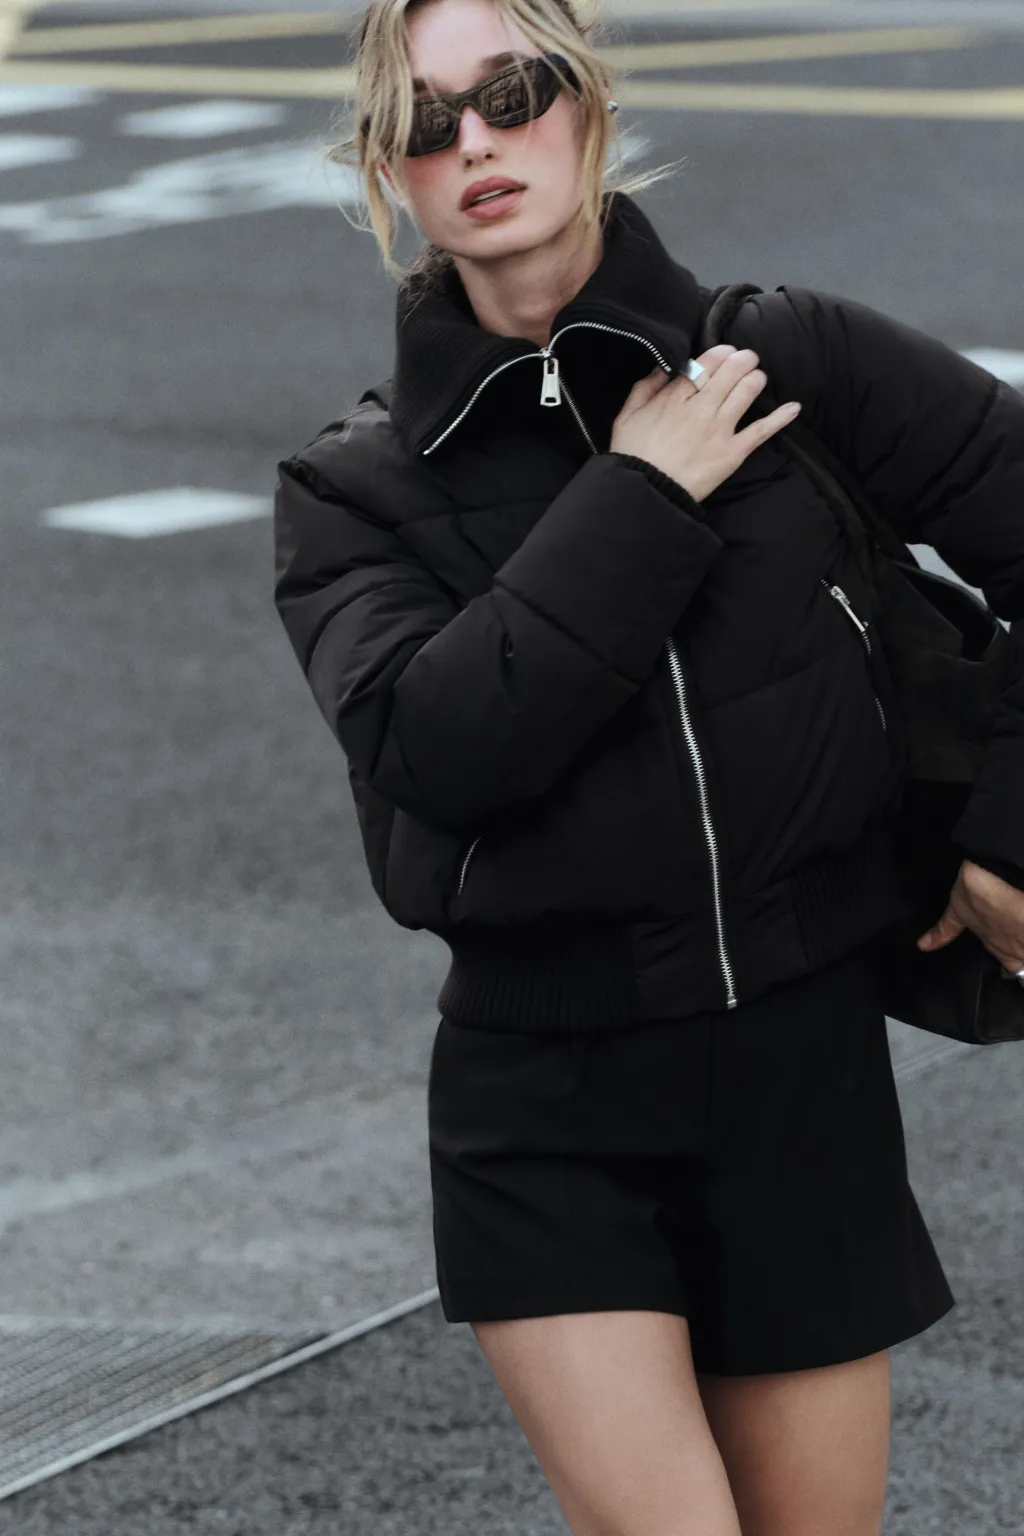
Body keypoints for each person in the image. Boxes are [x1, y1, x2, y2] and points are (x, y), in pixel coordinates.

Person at [272, 0, 1024, 1530]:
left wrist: (1008, 833)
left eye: (512, 92)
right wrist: (640, 490)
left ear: (587, 101)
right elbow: (440, 749)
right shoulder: (353, 490)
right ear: (386, 170)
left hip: (802, 1082)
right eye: (425, 122)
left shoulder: (789, 362)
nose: (475, 142)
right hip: (545, 1111)